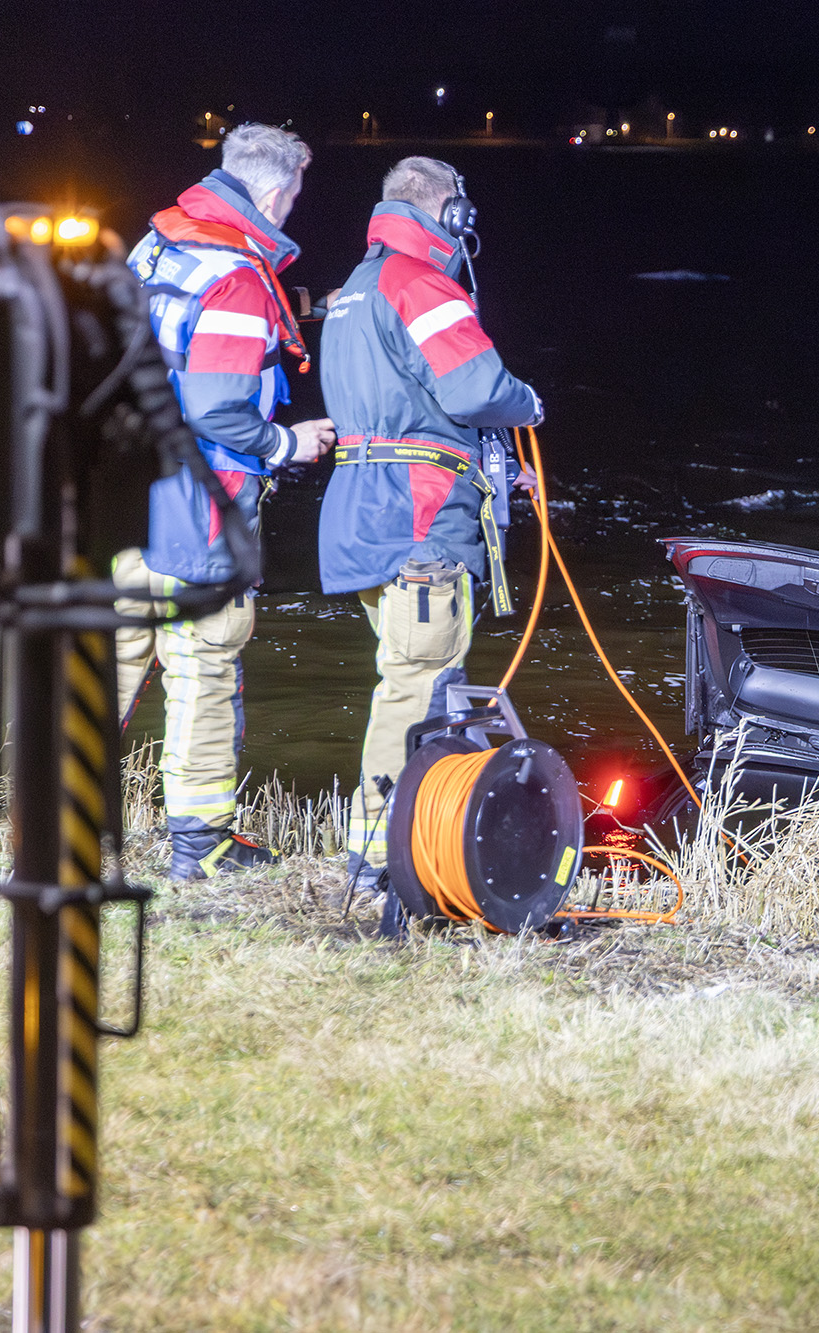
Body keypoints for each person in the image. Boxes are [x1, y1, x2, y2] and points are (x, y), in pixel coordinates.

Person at [317, 156, 543, 899]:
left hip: (365, 515)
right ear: (450, 213)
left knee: (411, 678)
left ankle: (398, 849)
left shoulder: (356, 287)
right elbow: (476, 386)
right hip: (420, 522)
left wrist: (496, 466)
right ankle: (381, 861)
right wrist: (527, 405)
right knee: (417, 687)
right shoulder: (421, 283)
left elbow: (406, 407)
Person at [119, 123, 335, 880]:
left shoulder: (159, 245)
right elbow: (217, 406)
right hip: (199, 510)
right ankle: (200, 843)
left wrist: (306, 305)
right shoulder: (240, 277)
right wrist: (287, 443)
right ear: (275, 193)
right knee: (203, 669)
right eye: (295, 196)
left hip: (121, 493)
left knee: (106, 664)